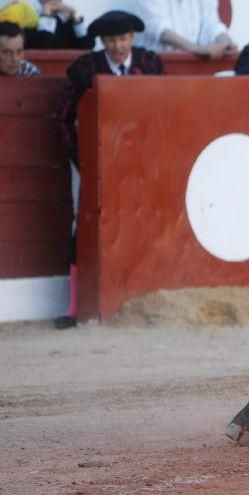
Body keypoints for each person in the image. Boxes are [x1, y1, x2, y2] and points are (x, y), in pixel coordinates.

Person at [54, 10, 165, 329]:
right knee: (85, 228)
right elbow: (63, 119)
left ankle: (144, 299)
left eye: (124, 39)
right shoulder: (86, 69)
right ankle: (76, 308)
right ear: (102, 42)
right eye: (112, 40)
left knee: (147, 222)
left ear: (133, 38)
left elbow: (163, 111)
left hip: (142, 164)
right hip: (95, 166)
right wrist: (85, 160)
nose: (118, 46)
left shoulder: (150, 64)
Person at [136, 0, 238, 59]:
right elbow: (160, 31)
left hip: (194, 65)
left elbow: (211, 23)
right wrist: (196, 49)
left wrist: (224, 41)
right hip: (159, 64)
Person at [26, 1, 91, 49]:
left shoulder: (66, 18)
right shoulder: (29, 16)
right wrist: (46, 14)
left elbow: (86, 45)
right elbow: (44, 45)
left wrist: (76, 15)